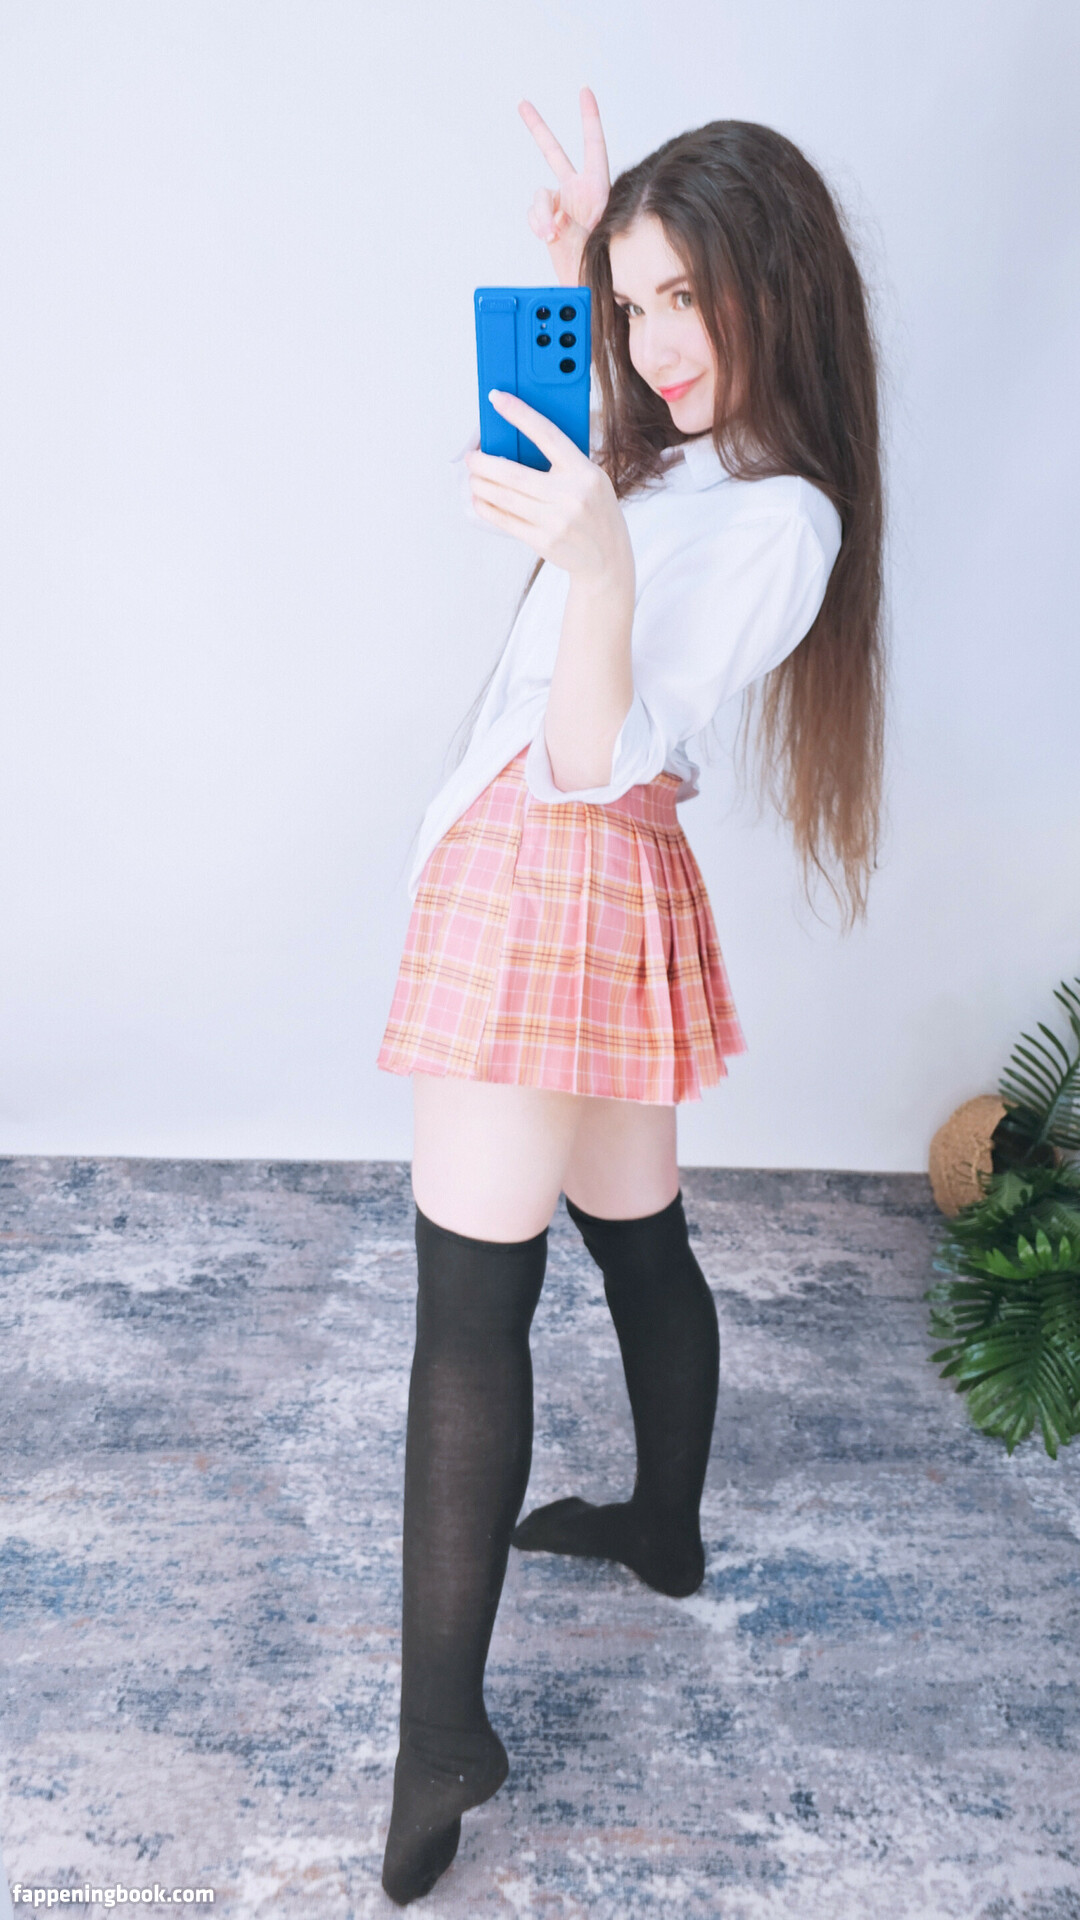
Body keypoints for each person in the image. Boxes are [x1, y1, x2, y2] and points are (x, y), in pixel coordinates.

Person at [375, 86, 886, 1905]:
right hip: (583, 882)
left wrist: (593, 560)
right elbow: (600, 492)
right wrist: (575, 273)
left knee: (469, 1307)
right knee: (637, 1236)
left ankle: (443, 1734)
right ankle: (665, 1530)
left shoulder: (786, 521)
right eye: (638, 298)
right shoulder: (682, 455)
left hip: (552, 873)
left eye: (691, 298)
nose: (660, 342)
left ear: (780, 287)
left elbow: (591, 755)